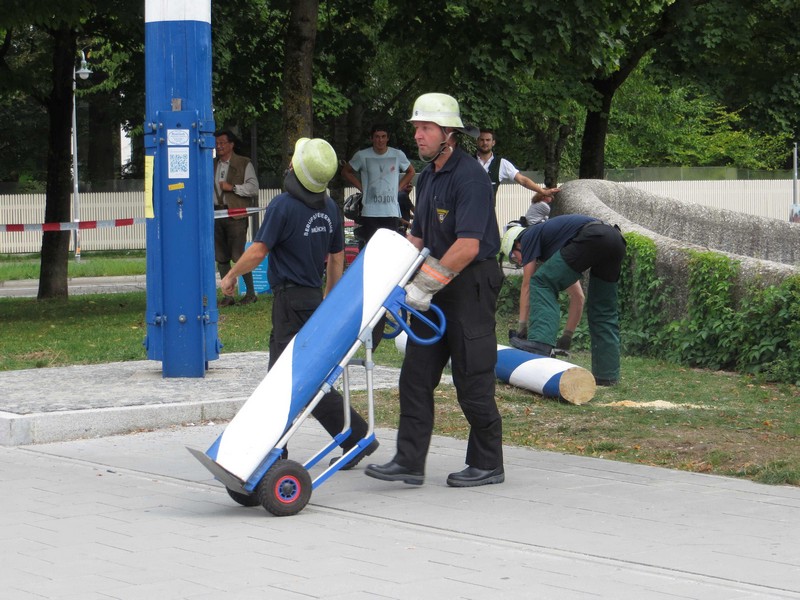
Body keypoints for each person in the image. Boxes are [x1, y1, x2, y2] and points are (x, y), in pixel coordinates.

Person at [365, 93, 505, 488]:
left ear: (449, 134)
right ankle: (409, 462)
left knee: (472, 379)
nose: (418, 135)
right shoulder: (427, 178)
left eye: (425, 128)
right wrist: (393, 279)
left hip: (471, 286)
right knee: (415, 377)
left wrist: (424, 284)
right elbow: (419, 237)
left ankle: (488, 462)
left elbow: (468, 246)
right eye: (416, 128)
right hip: (434, 288)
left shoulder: (471, 177)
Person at [219, 137, 379, 469]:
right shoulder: (330, 207)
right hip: (312, 299)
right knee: (309, 376)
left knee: (280, 381)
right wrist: (328, 301)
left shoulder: (283, 206)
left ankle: (274, 454)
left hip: (289, 302)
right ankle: (357, 437)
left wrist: (231, 275)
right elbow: (336, 259)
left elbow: (259, 250)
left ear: (297, 167)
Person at [499, 215, 627, 385]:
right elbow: (578, 297)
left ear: (517, 244)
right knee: (603, 310)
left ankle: (540, 344)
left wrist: (522, 327)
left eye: (514, 257)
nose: (519, 262)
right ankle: (607, 375)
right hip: (615, 240)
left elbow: (528, 284)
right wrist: (567, 336)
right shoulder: (556, 244)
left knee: (541, 281)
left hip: (593, 236)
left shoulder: (528, 236)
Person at [341, 124, 416, 249]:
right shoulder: (362, 155)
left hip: (390, 211)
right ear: (371, 138)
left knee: (389, 249)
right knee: (372, 249)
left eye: (383, 136)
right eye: (376, 137)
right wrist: (362, 188)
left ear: (387, 138)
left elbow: (411, 171)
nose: (380, 140)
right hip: (370, 212)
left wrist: (398, 188)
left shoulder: (398, 154)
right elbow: (346, 172)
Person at [214, 130, 259, 306]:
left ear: (231, 144)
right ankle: (228, 296)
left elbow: (253, 188)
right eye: (217, 143)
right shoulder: (211, 165)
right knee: (221, 256)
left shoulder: (243, 163)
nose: (219, 146)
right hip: (216, 214)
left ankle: (250, 293)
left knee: (238, 255)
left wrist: (232, 188)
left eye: (222, 143)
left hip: (236, 215)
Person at [476, 129, 559, 203]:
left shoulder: (502, 163)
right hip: (467, 211)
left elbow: (523, 180)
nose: (485, 143)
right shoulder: (468, 162)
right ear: (477, 141)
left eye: (488, 140)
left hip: (488, 213)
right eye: (482, 140)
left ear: (493, 142)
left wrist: (543, 192)